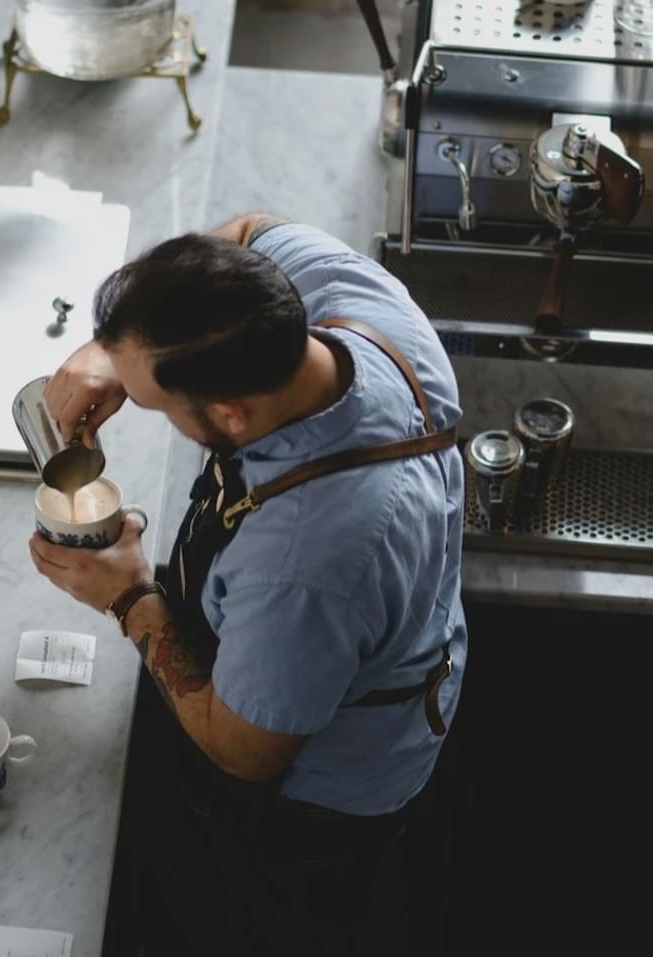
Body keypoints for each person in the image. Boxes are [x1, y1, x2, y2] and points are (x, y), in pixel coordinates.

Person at [28, 214, 467, 956]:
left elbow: (243, 750)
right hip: (390, 635)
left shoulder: (306, 562)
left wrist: (131, 595)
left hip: (319, 805)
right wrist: (111, 352)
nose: (142, 404)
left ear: (230, 412)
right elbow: (245, 229)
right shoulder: (350, 301)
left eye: (157, 403)